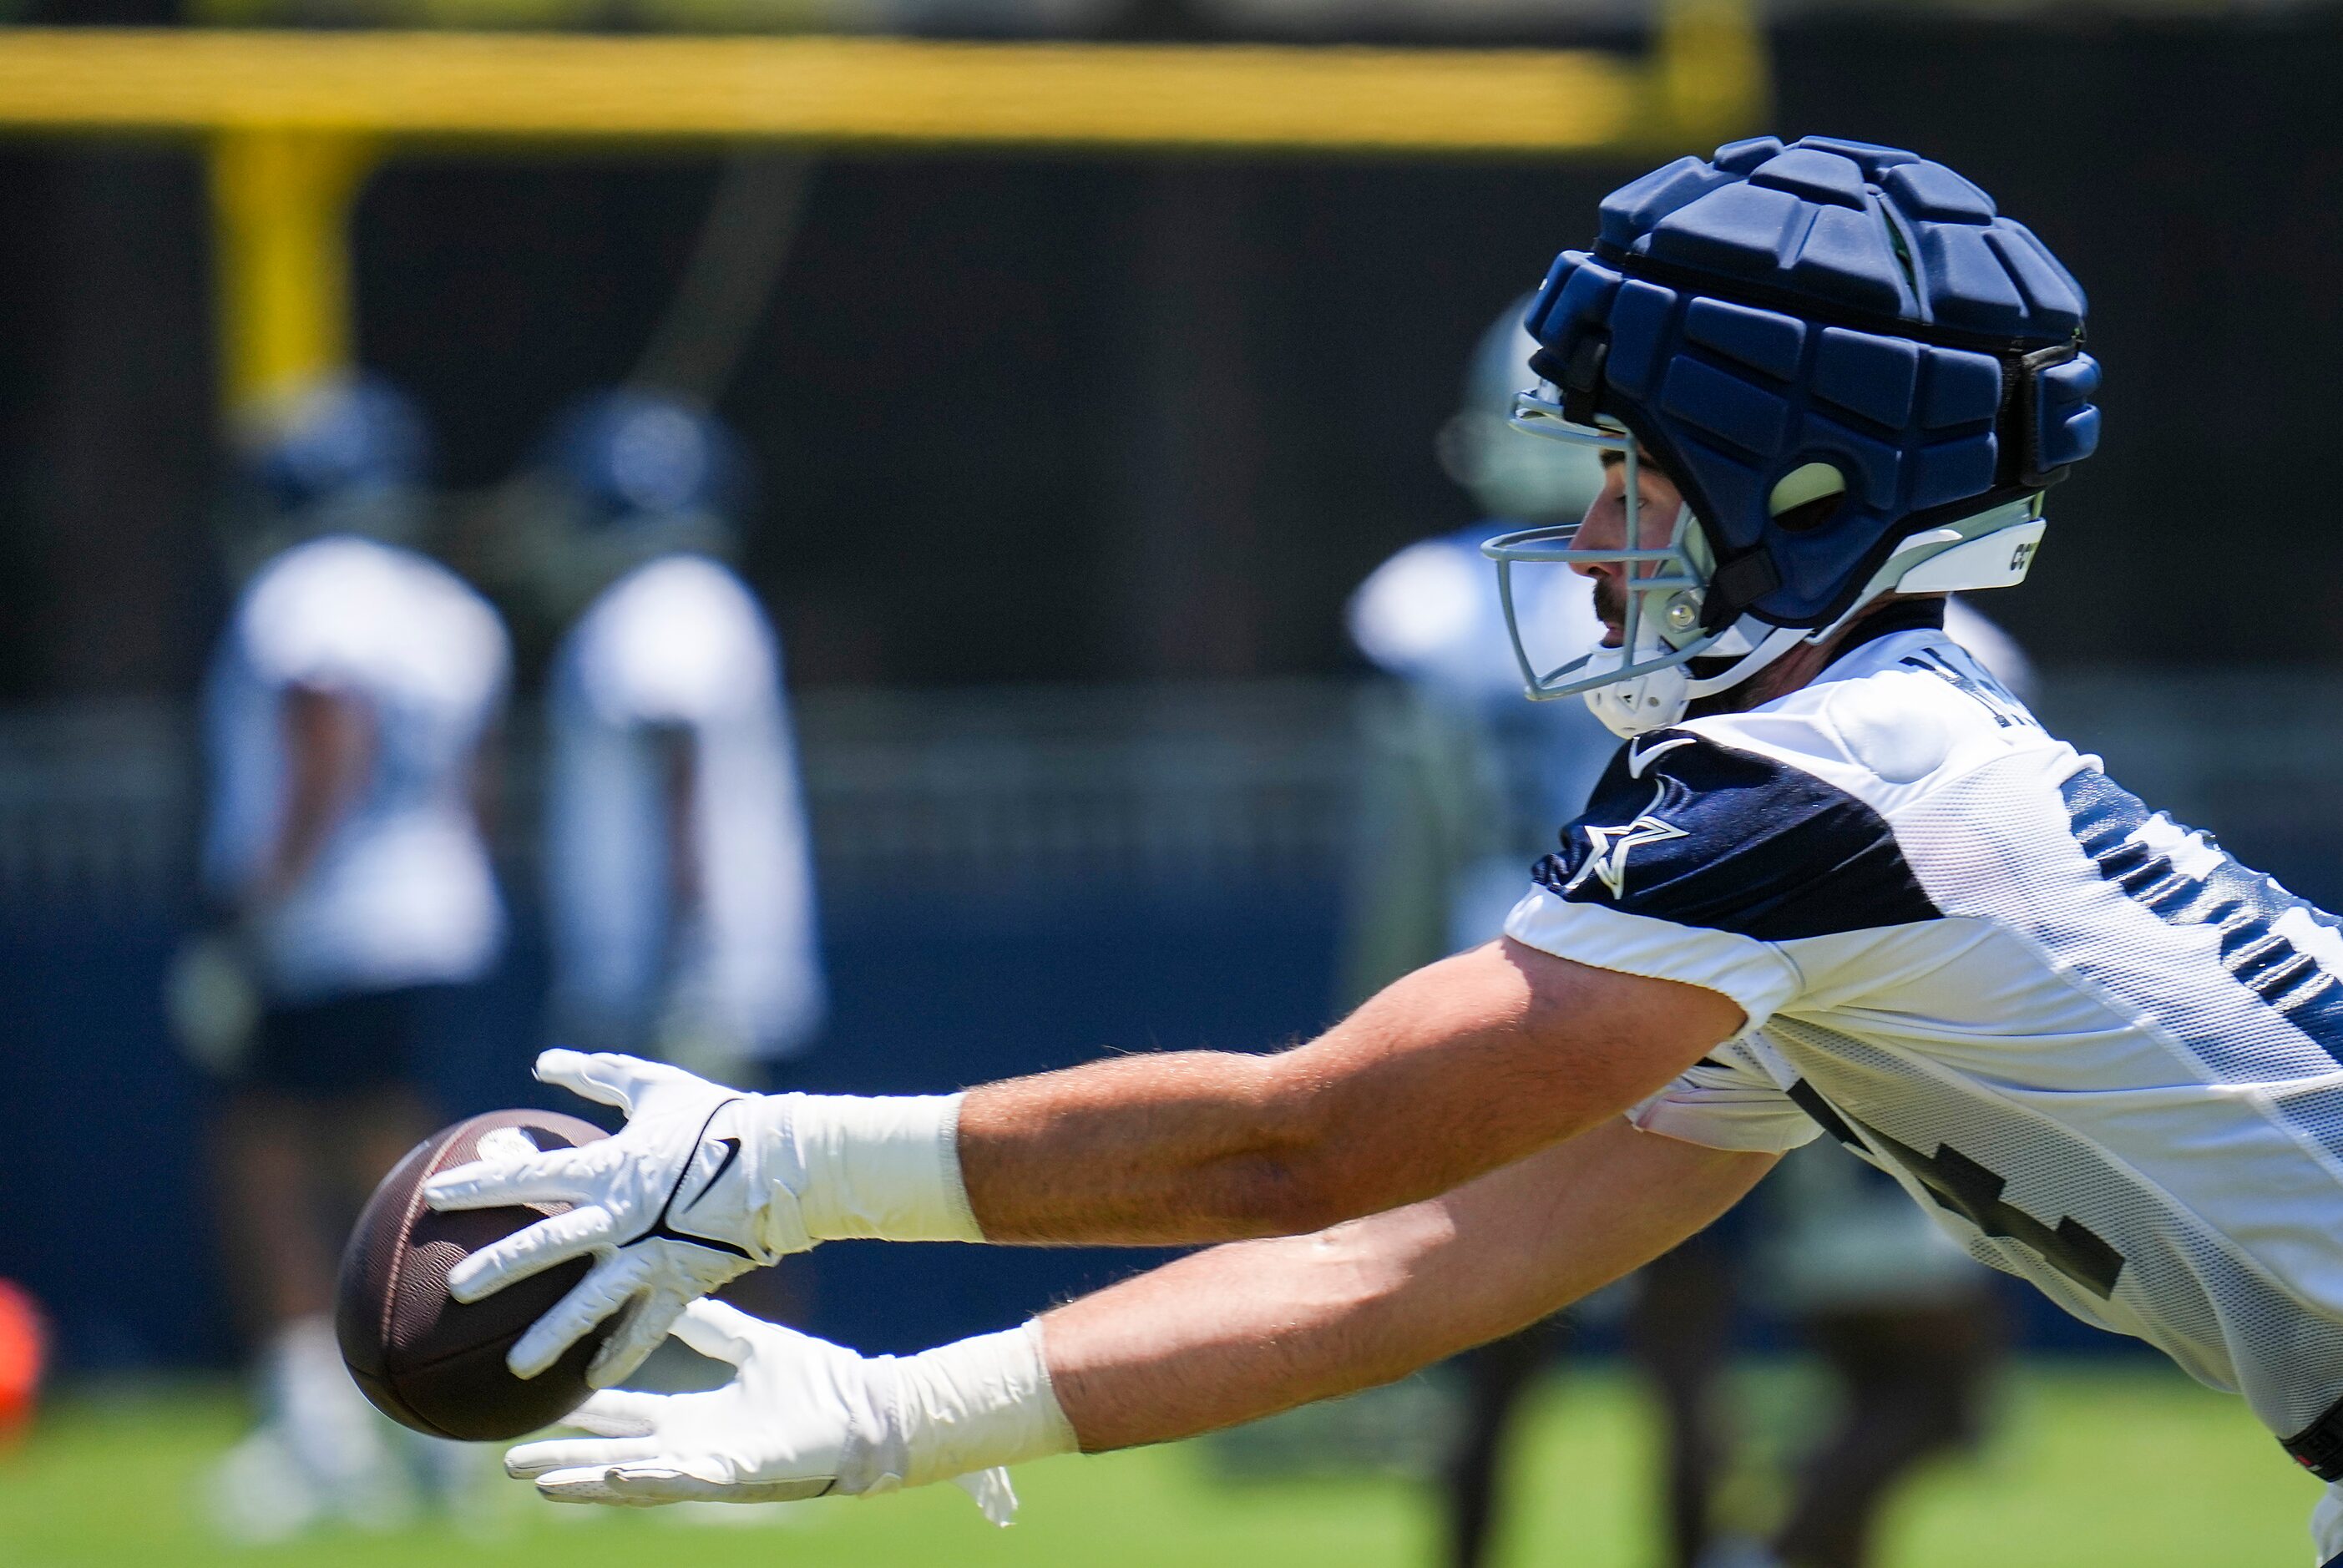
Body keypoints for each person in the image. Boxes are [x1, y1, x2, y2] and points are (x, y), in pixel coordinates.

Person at [422, 136, 2343, 1566]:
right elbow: (1425, 1256)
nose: (1592, 542)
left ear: (1801, 491)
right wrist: (902, 1410)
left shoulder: (1813, 789)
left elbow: (1304, 1142)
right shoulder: (1866, 776)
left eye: (1633, 474)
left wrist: (776, 1168)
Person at [179, 377, 510, 1537]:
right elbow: (476, 786)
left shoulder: (306, 592)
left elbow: (330, 740)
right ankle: (443, 1414)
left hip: (329, 919)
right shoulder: (447, 606)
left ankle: (319, 1429)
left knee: (263, 1153)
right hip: (440, 915)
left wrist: (253, 911)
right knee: (407, 1168)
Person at [521, 389, 824, 1092]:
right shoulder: (695, 596)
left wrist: (681, 980)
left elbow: (677, 769)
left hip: (684, 993)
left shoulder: (663, 601)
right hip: (697, 986)